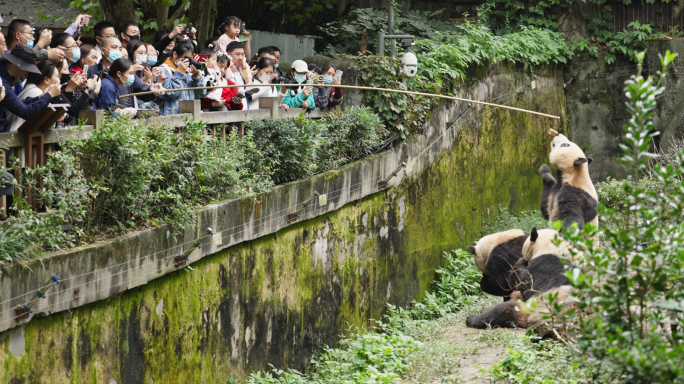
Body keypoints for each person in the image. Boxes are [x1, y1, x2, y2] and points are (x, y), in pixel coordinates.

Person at [0, 44, 61, 132]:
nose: (27, 74)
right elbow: (25, 112)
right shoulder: (2, 82)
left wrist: (40, 97)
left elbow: (19, 104)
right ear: (16, 65)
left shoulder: (4, 79)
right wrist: (49, 95)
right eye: (26, 69)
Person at [87, 37, 158, 109]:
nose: (118, 51)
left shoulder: (127, 70)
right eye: (114, 47)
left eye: (120, 49)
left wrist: (152, 90)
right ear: (103, 50)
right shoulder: (92, 70)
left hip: (126, 117)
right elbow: (87, 97)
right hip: (102, 116)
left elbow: (142, 92)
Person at [158, 42, 204, 115]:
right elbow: (171, 94)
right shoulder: (163, 69)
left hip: (190, 116)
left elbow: (200, 94)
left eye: (189, 59)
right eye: (184, 58)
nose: (186, 62)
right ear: (175, 54)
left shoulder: (188, 70)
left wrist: (196, 75)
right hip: (171, 117)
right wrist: (179, 72)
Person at [225, 41, 251, 109]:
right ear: (228, 55)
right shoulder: (224, 69)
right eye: (237, 54)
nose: (240, 57)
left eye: (242, 54)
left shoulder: (244, 67)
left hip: (245, 106)